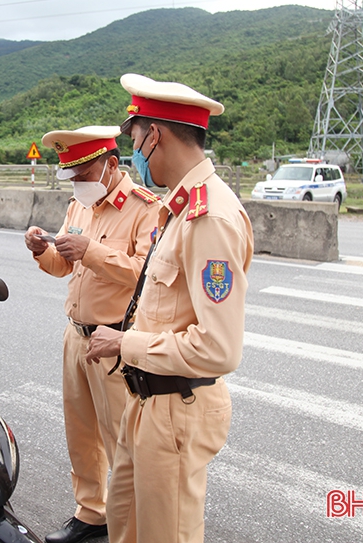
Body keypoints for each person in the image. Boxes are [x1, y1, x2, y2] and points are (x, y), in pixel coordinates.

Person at [85, 74, 254, 543]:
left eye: (135, 137)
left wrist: (125, 341)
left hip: (177, 406)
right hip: (147, 399)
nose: (135, 151)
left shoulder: (209, 217)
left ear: (154, 134)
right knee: (127, 526)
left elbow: (219, 349)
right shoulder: (178, 208)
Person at [24, 126, 160, 543]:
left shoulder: (145, 208)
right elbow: (66, 267)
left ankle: (127, 522)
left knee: (120, 437)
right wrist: (42, 251)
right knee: (80, 433)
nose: (78, 183)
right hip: (76, 335)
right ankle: (91, 514)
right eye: (72, 176)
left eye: (83, 173)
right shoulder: (79, 206)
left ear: (110, 164)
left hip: (116, 340)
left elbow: (147, 274)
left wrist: (92, 253)